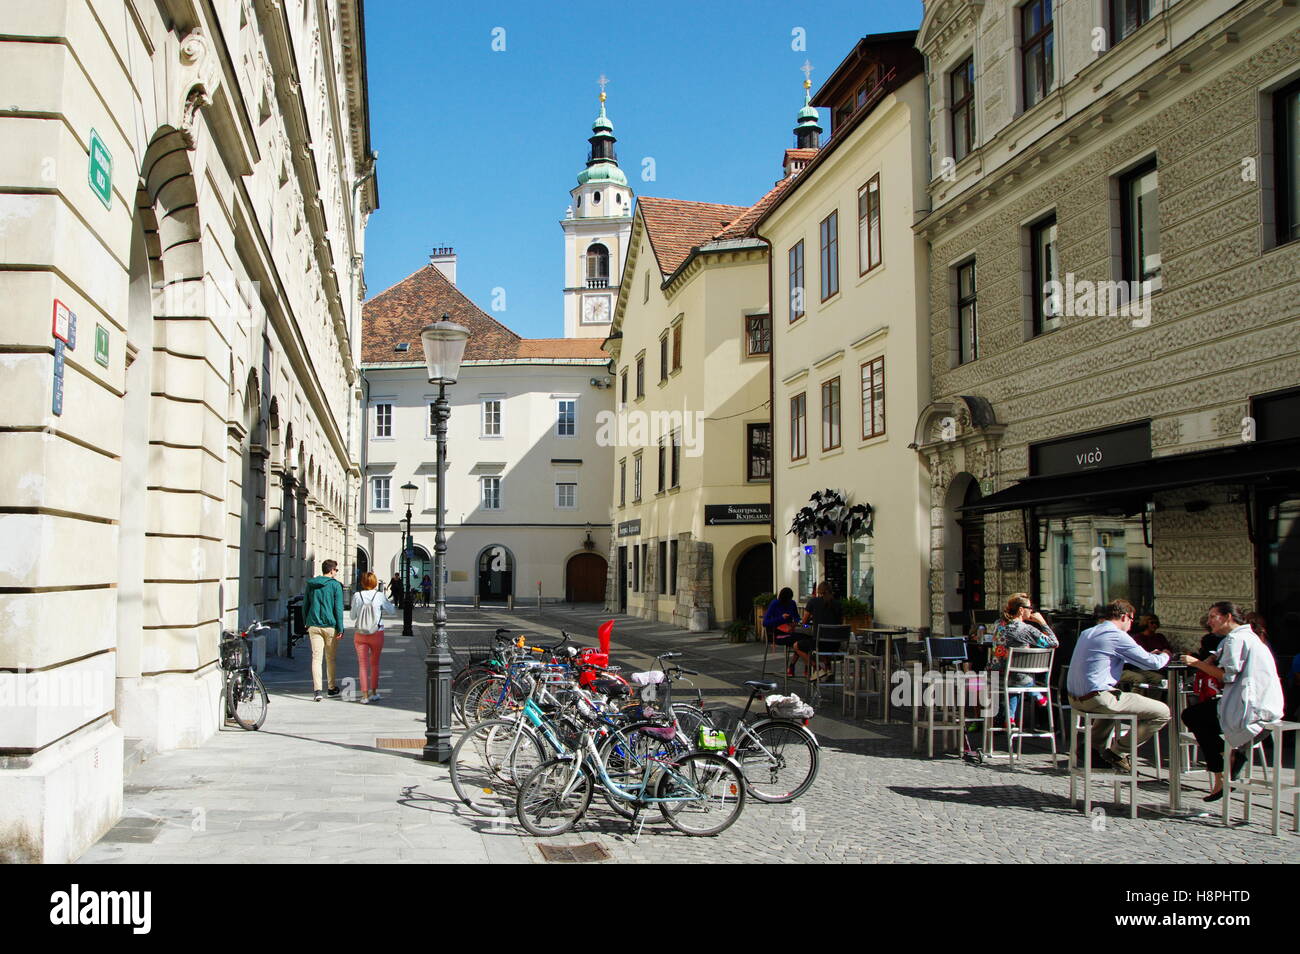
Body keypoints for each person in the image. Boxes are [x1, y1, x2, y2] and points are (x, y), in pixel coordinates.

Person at [1179, 602, 1285, 802]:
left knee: (1193, 716)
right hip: (1265, 705)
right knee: (1199, 718)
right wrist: (1211, 659)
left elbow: (1227, 676)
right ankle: (1226, 761)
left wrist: (1196, 663)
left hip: (1251, 708)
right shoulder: (1245, 637)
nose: (1209, 621)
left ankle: (1225, 762)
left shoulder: (1236, 639)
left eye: (1213, 616)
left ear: (1227, 617)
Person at [1066, 599, 1172, 773]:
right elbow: (1152, 664)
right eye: (1132, 620)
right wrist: (1166, 655)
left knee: (1114, 698)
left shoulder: (1088, 632)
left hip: (1074, 698)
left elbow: (1115, 654)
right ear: (1124, 617)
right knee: (1162, 712)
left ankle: (1092, 748)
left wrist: (1144, 654)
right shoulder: (1117, 635)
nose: (1132, 624)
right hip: (1097, 699)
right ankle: (1118, 751)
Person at [990, 594, 1059, 726]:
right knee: (1018, 678)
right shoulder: (1025, 629)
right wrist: (1042, 623)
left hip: (995, 676)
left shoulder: (999, 624)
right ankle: (1037, 695)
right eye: (1030, 608)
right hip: (1017, 678)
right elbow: (1054, 643)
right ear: (1021, 610)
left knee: (1013, 681)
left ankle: (1009, 719)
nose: (1032, 611)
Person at [303, 559, 345, 702]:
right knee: (330, 658)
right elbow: (338, 608)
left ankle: (317, 690)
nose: (336, 572)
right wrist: (340, 628)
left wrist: (305, 621)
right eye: (336, 570)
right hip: (329, 626)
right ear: (332, 570)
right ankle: (332, 687)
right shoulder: (335, 586)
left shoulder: (311, 584)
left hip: (313, 625)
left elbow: (305, 604)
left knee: (316, 658)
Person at [351, 571, 395, 704]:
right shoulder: (379, 595)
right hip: (377, 633)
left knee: (362, 665)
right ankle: (374, 692)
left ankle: (364, 695)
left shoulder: (357, 596)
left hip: (360, 634)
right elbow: (391, 611)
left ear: (362, 582)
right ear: (375, 582)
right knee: (375, 664)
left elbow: (352, 616)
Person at [799, 582, 844, 681]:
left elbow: (804, 622)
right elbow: (840, 622)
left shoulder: (813, 602)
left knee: (797, 646)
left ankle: (818, 669)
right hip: (835, 644)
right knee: (824, 642)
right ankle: (828, 670)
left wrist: (807, 625)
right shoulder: (839, 604)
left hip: (819, 643)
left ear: (818, 592)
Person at [1120, 614, 1172, 688]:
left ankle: (1154, 699)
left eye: (1156, 623)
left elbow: (1168, 650)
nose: (1154, 625)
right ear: (1145, 623)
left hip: (1160, 665)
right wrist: (1151, 654)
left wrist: (1164, 652)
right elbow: (1139, 655)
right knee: (1153, 678)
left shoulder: (1160, 637)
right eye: (1152, 623)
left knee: (1162, 679)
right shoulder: (1139, 638)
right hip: (1142, 667)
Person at [763, 587, 801, 671]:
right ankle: (792, 667)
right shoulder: (775, 604)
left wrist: (796, 621)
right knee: (800, 641)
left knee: (804, 641)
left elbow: (797, 617)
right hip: (778, 634)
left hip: (790, 631)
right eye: (788, 600)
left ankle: (793, 665)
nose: (789, 602)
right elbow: (765, 622)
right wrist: (781, 618)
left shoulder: (792, 603)